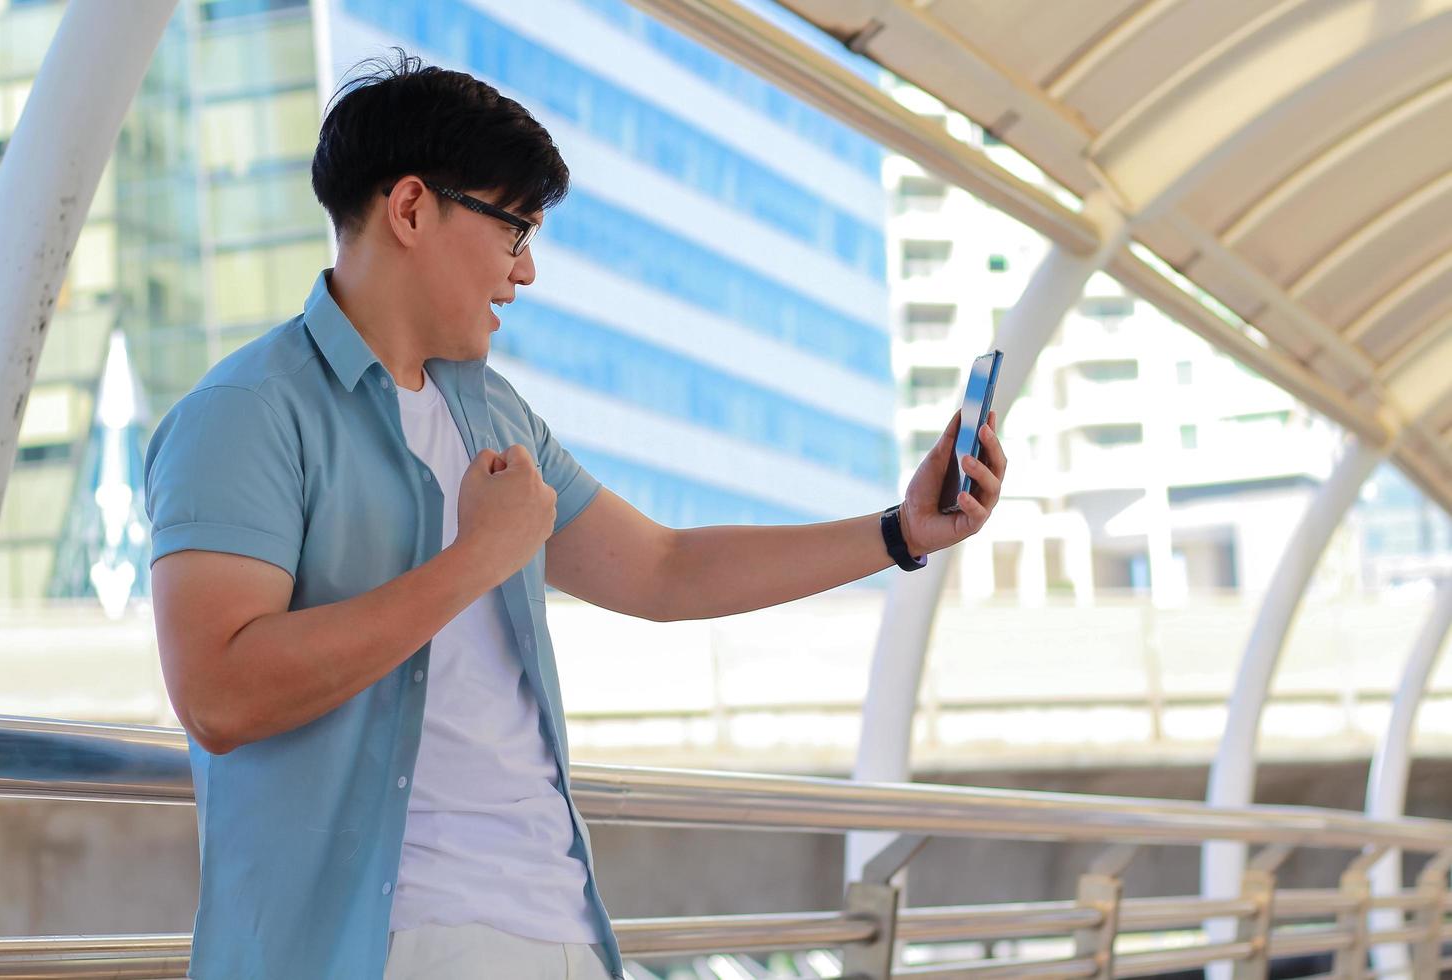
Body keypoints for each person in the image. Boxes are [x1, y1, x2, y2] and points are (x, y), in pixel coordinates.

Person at [144, 52, 1006, 980]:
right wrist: (479, 556)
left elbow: (665, 569)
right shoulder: (246, 413)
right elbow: (221, 695)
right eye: (513, 229)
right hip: (383, 947)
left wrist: (898, 533)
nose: (528, 270)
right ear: (409, 209)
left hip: (563, 928)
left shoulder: (496, 415)